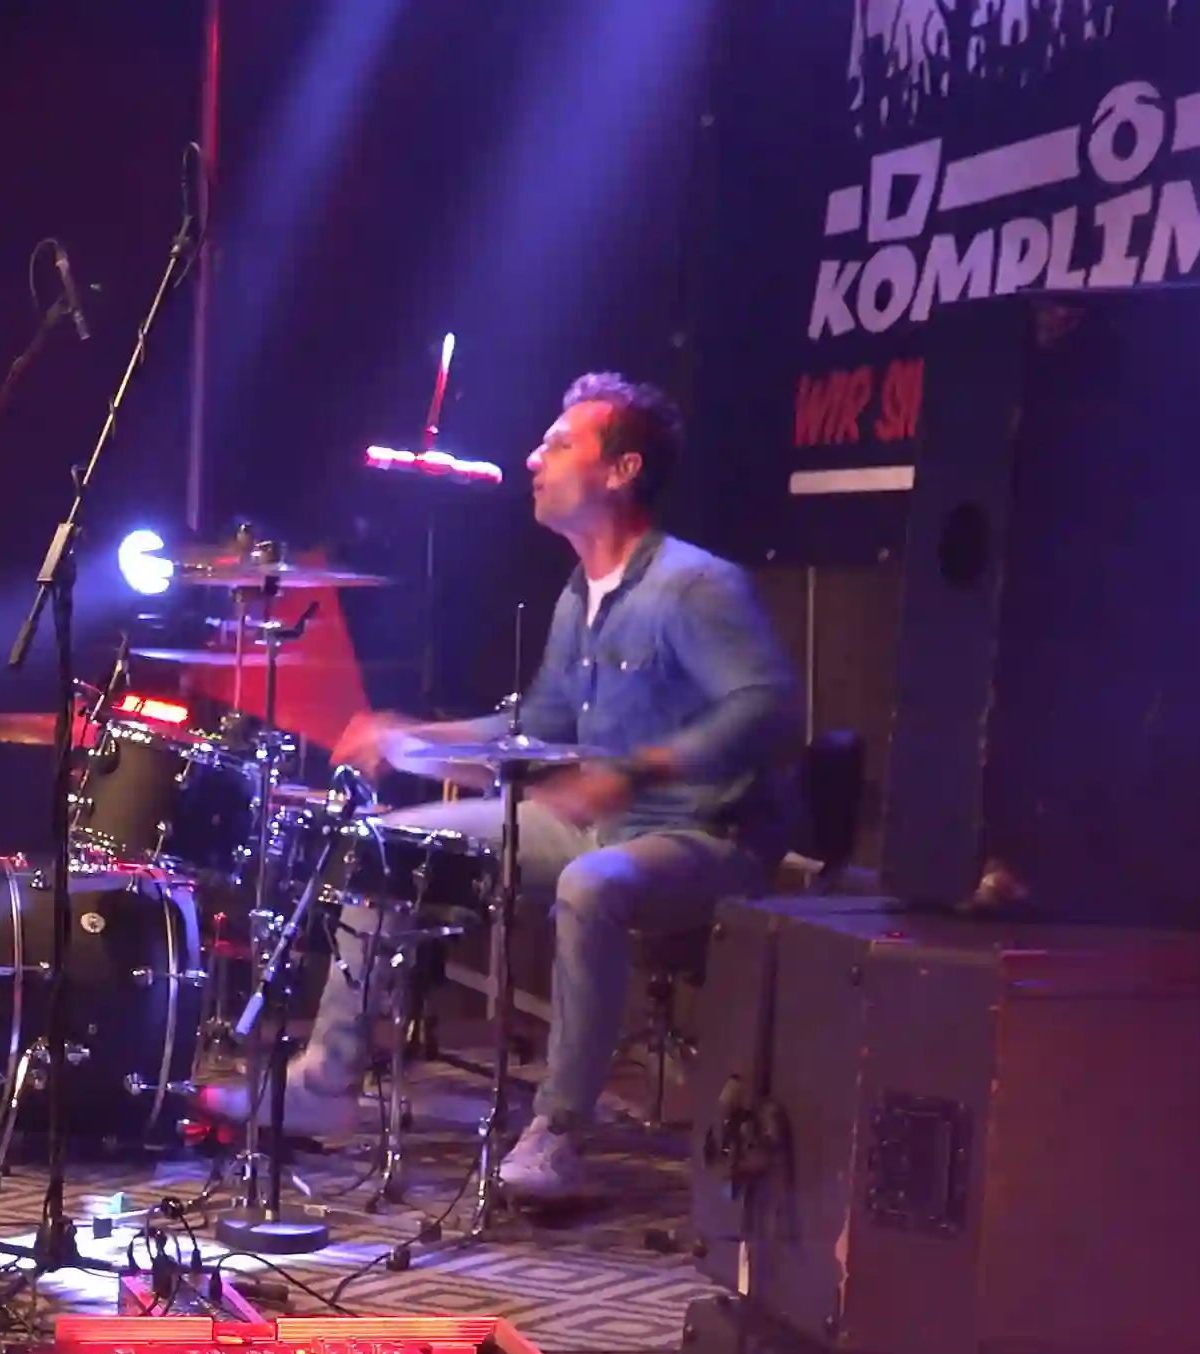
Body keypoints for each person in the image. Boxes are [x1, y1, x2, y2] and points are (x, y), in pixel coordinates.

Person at [242, 373, 797, 1202]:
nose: (534, 458)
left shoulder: (694, 585)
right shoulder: (579, 593)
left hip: (702, 834)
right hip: (591, 824)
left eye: (559, 444)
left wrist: (635, 770)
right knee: (386, 846)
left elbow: (766, 708)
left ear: (621, 470)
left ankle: (557, 1133)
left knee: (589, 885)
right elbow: (535, 724)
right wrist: (410, 738)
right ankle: (326, 1079)